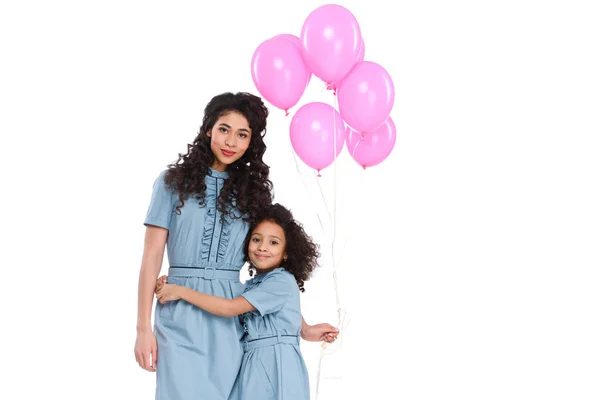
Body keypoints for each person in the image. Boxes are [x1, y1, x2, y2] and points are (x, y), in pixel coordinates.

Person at [133, 92, 339, 400]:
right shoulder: (171, 183)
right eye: (224, 129)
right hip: (178, 312)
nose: (231, 142)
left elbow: (271, 268)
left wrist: (303, 327)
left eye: (242, 135)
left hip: (232, 318)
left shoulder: (253, 194)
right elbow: (151, 256)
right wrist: (142, 329)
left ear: (251, 141)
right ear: (208, 129)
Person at [156, 203, 321, 400]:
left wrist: (180, 291)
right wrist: (305, 329)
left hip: (275, 362)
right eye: (256, 239)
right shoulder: (255, 285)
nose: (262, 247)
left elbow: (229, 308)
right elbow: (281, 308)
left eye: (274, 243)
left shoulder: (281, 280)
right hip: (252, 361)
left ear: (287, 252)